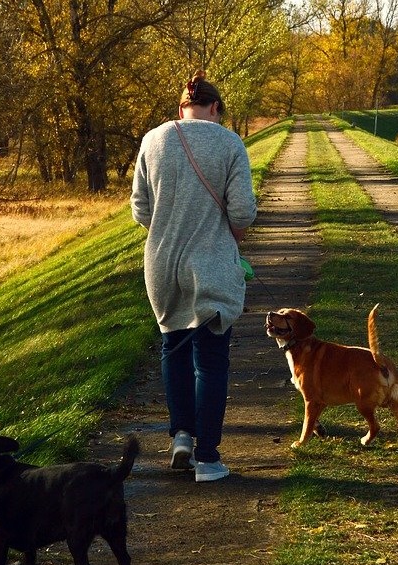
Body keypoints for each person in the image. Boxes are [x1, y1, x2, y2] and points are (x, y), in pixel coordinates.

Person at [130, 70, 256, 482]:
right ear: (216, 108)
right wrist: (225, 232)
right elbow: (241, 213)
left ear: (180, 109)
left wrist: (172, 228)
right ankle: (208, 459)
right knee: (212, 361)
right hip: (212, 266)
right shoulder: (230, 143)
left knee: (174, 350)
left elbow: (140, 212)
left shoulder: (152, 140)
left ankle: (181, 435)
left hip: (162, 265)